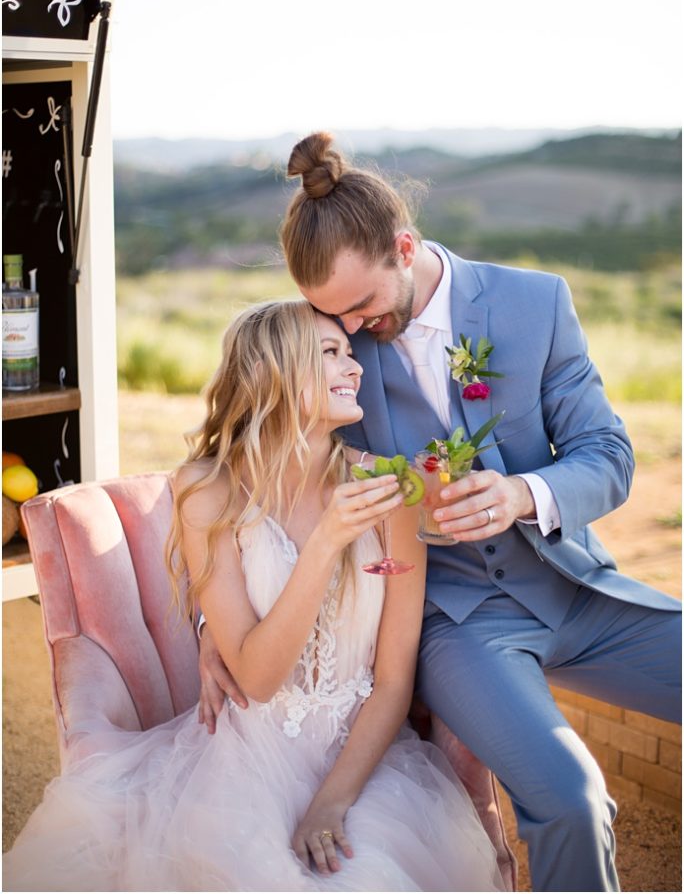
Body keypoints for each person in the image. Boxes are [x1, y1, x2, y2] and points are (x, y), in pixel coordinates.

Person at [198, 132, 682, 893]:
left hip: (577, 592)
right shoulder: (339, 351)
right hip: (458, 625)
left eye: (361, 307)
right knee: (573, 799)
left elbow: (608, 455)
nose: (351, 333)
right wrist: (216, 625)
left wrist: (524, 494)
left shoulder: (535, 303)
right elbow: (254, 462)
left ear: (405, 245)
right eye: (334, 319)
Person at [3, 299, 505, 893]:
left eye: (350, 352)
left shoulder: (391, 491)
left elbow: (393, 681)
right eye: (330, 353)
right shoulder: (207, 493)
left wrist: (331, 804)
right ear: (276, 370)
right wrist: (325, 544)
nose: (357, 369)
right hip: (243, 764)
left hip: (365, 765)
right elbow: (259, 678)